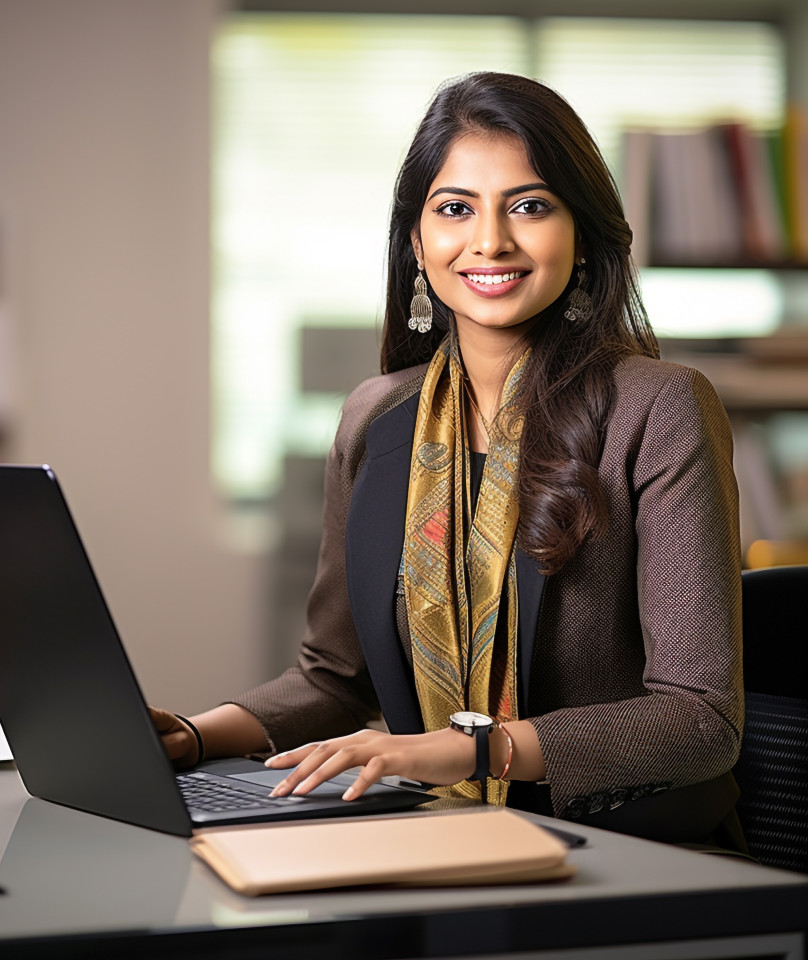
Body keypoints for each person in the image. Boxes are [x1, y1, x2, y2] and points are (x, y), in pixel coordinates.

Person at [151, 72, 744, 847]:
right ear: (416, 242)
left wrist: (473, 749)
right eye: (455, 208)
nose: (490, 240)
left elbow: (700, 718)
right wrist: (191, 738)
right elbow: (334, 679)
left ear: (583, 235)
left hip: (629, 855)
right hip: (437, 841)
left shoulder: (659, 408)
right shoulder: (375, 417)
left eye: (529, 206)